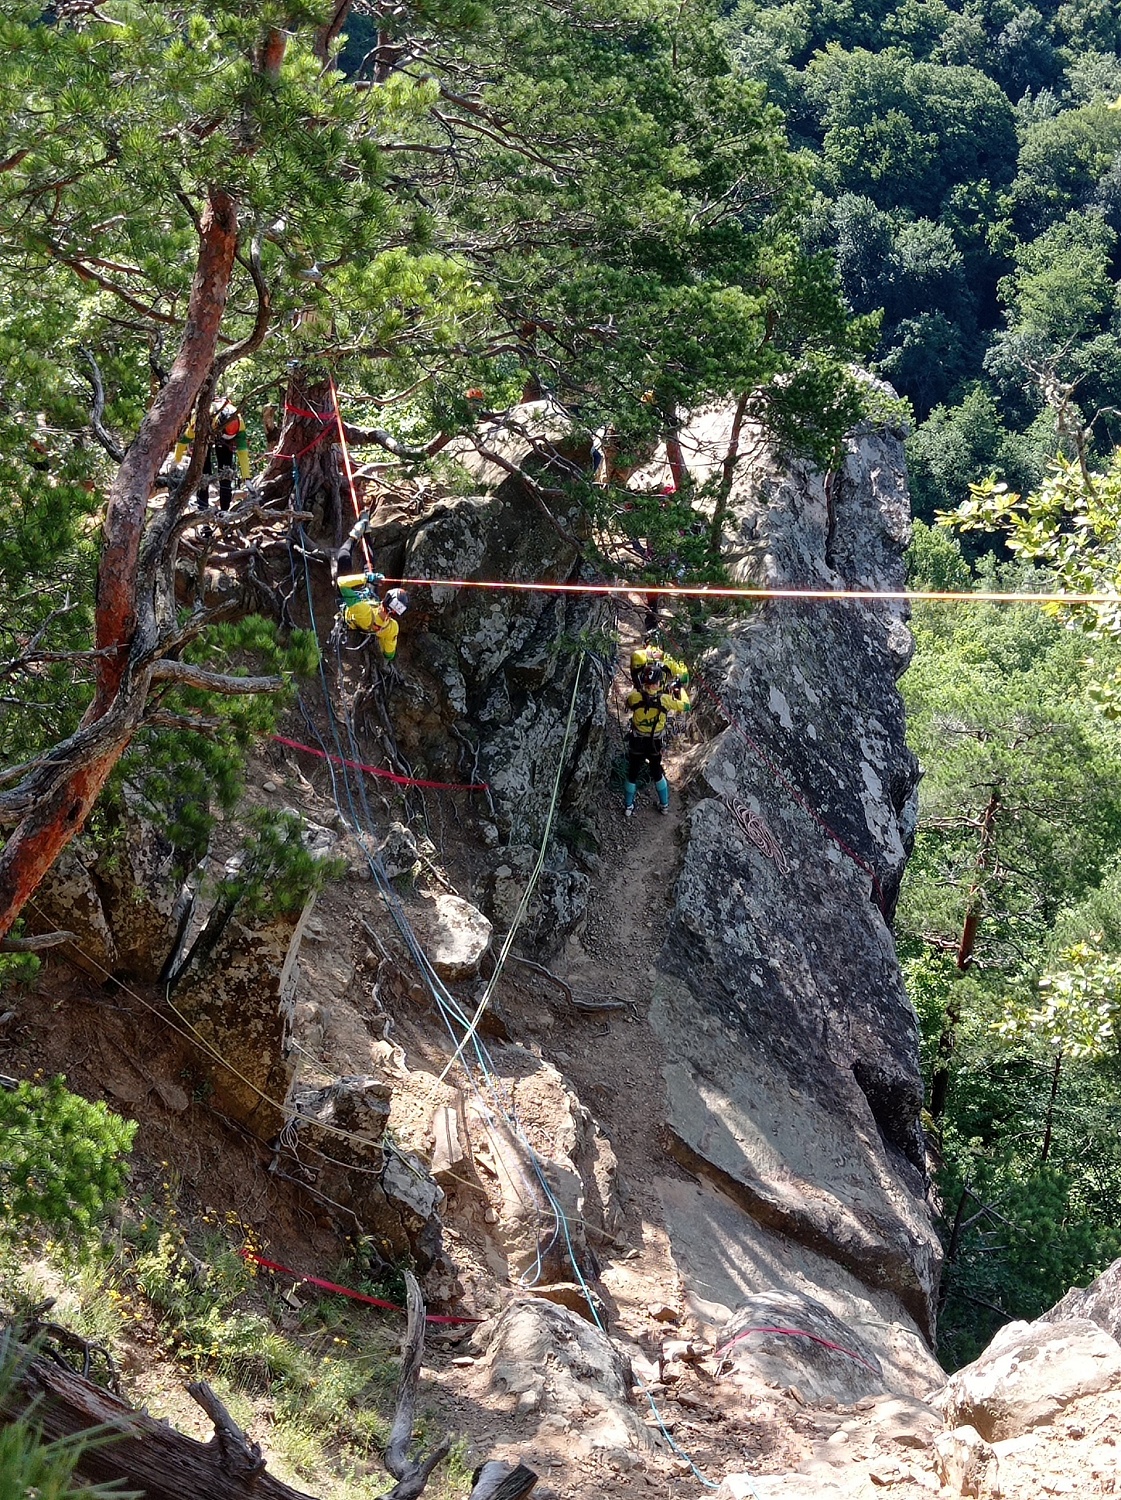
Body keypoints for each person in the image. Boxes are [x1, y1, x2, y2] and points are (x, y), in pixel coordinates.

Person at [623, 660, 689, 818]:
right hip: (654, 743)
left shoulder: (634, 696)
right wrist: (680, 689)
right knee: (656, 771)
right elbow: (686, 706)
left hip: (637, 741)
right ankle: (664, 805)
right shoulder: (665, 700)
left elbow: (629, 702)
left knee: (632, 772)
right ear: (657, 683)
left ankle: (628, 807)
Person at [172, 395, 251, 510]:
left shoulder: (239, 425)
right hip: (205, 434)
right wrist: (177, 459)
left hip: (225, 439)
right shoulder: (202, 418)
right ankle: (202, 511)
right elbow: (185, 440)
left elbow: (243, 454)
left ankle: (225, 512)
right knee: (203, 473)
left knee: (226, 473)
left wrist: (247, 478)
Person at [337, 571, 408, 663]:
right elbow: (389, 654)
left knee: (345, 560)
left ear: (386, 599)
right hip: (369, 620)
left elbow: (341, 582)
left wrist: (367, 577)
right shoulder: (392, 627)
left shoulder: (363, 610)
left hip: (352, 611)